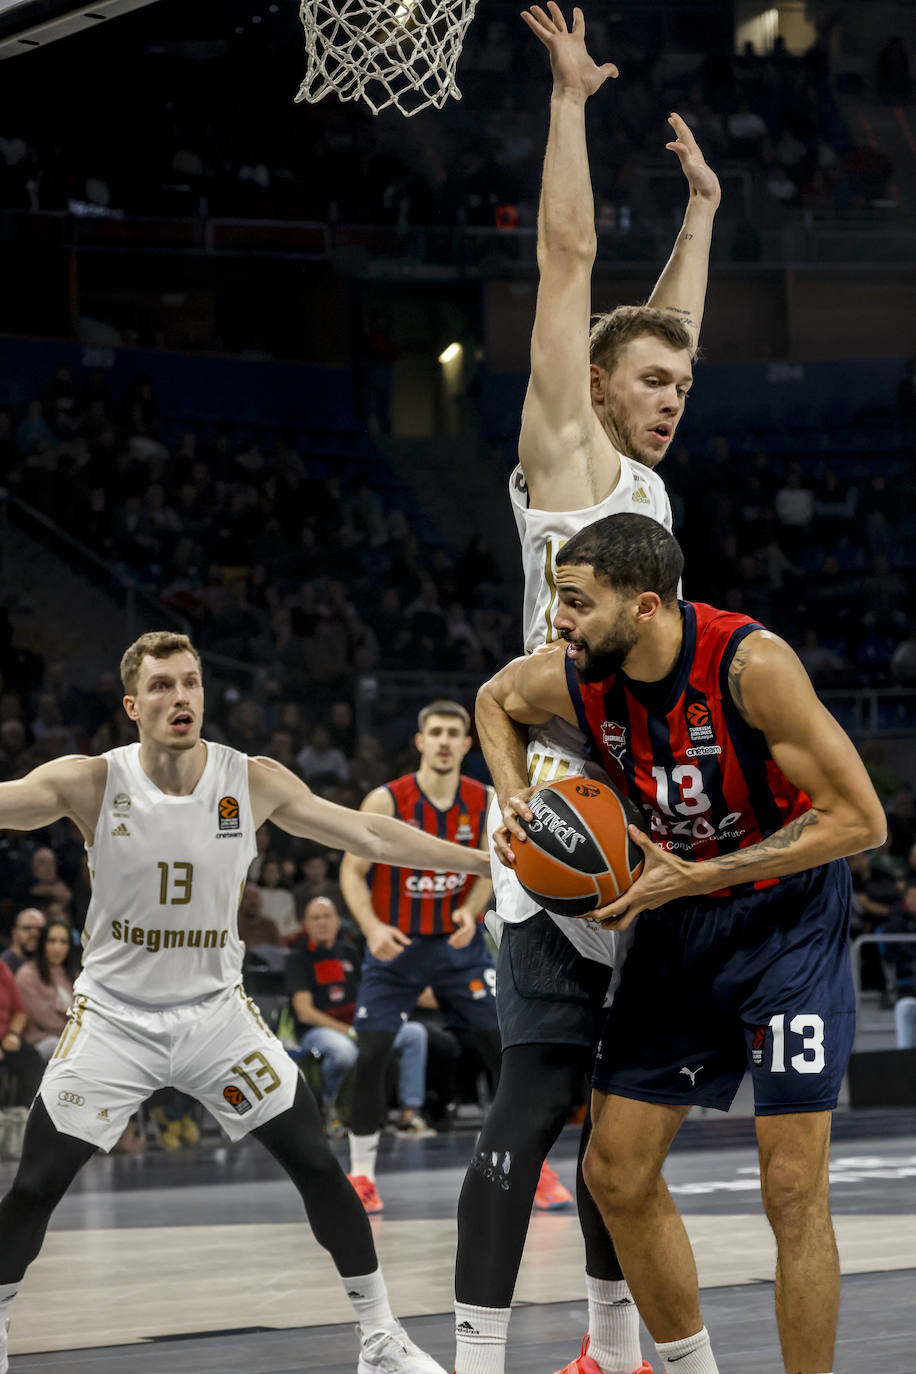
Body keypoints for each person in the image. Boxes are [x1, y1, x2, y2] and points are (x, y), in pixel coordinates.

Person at [0, 629, 492, 1374]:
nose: (181, 697)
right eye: (162, 685)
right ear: (132, 705)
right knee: (34, 1186)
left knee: (317, 1165)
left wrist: (485, 861)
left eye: (191, 682)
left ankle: (381, 1337)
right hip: (115, 1020)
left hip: (216, 1018)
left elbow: (366, 832)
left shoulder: (249, 779)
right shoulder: (92, 781)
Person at [453, 8, 721, 1374]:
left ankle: (607, 1349)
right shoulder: (566, 454)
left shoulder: (649, 479)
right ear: (596, 387)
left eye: (684, 383)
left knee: (623, 1128)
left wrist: (704, 210)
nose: (672, 395)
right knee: (536, 1097)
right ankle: (474, 1353)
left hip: (647, 823)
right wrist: (567, 103)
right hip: (562, 816)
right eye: (651, 382)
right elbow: (568, 264)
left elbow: (667, 325)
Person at [478, 513, 887, 1374]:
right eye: (559, 599)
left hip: (786, 922)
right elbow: (494, 700)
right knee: (615, 1172)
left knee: (791, 1186)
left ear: (646, 606)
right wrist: (516, 798)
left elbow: (860, 820)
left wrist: (697, 876)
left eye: (577, 602)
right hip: (678, 919)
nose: (559, 620)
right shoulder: (576, 674)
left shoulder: (750, 666)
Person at [340, 700, 499, 1214]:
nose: (445, 741)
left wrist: (472, 911)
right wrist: (371, 928)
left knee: (505, 1051)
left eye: (454, 733)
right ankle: (362, 1175)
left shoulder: (486, 800)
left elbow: (491, 869)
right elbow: (351, 872)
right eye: (436, 732)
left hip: (457, 948)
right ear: (420, 741)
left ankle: (526, 1169)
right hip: (397, 947)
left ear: (468, 744)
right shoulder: (386, 801)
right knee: (371, 1056)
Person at [285, 896, 430, 1135]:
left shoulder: (351, 952)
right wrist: (349, 1032)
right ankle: (329, 1110)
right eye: (315, 918)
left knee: (414, 1033)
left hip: (359, 1025)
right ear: (305, 925)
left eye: (327, 917)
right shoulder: (298, 958)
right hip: (319, 1031)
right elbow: (305, 1012)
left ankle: (409, 1114)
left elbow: (371, 993)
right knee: (345, 1052)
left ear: (337, 921)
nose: (322, 923)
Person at [14, 920, 75, 1061]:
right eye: (51, 941)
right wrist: (78, 1030)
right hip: (40, 1043)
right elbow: (47, 1021)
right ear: (42, 944)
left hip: (70, 1037)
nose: (57, 948)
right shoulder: (27, 975)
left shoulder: (72, 976)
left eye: (63, 942)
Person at [0, 910, 45, 975]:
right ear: (14, 933)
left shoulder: (49, 964)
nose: (34, 934)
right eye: (27, 928)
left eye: (39, 929)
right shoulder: (3, 967)